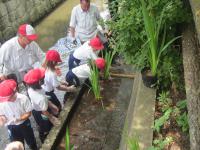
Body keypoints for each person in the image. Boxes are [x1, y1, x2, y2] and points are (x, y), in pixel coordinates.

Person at [24, 68, 60, 143]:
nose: (44, 77)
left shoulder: (30, 88)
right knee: (45, 127)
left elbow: (43, 97)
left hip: (37, 107)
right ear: (39, 81)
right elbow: (44, 111)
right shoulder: (40, 98)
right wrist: (52, 118)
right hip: (40, 111)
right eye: (42, 77)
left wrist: (51, 105)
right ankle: (43, 138)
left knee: (43, 124)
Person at [0, 79, 38, 150]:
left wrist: (18, 119)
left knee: (31, 141)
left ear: (14, 91)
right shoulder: (1, 103)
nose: (7, 100)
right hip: (11, 126)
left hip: (24, 123)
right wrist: (2, 119)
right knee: (17, 145)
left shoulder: (23, 98)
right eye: (6, 99)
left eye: (9, 98)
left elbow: (28, 113)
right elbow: (1, 115)